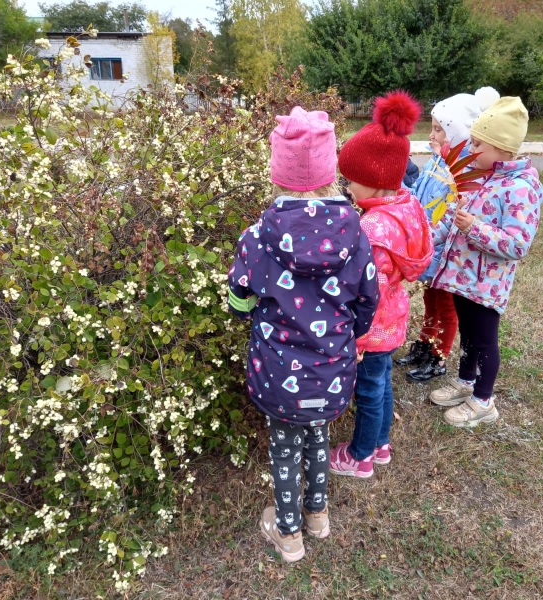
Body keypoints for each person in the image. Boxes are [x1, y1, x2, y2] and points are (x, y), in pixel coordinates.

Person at [227, 106, 380, 562]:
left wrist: (248, 314)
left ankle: (288, 532)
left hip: (278, 368)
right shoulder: (355, 233)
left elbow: (238, 296)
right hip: (332, 367)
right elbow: (368, 300)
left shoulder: (257, 236)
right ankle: (318, 514)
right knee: (317, 430)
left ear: (278, 171)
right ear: (331, 171)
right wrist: (349, 335)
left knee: (284, 442)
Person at [328, 91, 433, 478]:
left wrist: (353, 338)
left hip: (371, 324)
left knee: (368, 388)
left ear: (374, 179)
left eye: (351, 179)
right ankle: (381, 443)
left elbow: (361, 290)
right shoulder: (408, 205)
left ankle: (360, 456)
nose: (348, 187)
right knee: (382, 381)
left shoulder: (372, 230)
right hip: (395, 314)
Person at [427, 96, 543, 427]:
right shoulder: (483, 177)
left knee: (484, 341)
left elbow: (518, 244)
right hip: (463, 278)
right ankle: (466, 382)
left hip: (486, 285)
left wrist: (474, 229)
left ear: (502, 148)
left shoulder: (519, 189)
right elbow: (453, 216)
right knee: (468, 333)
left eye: (478, 143)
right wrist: (427, 237)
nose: (472, 149)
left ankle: (483, 401)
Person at [399, 87, 500, 384]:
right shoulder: (435, 162)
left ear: (456, 134)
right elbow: (418, 196)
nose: (431, 135)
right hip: (428, 246)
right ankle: (425, 344)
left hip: (445, 251)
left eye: (438, 130)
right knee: (430, 299)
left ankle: (439, 356)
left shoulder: (462, 173)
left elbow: (455, 214)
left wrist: (430, 237)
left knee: (446, 306)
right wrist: (399, 191)